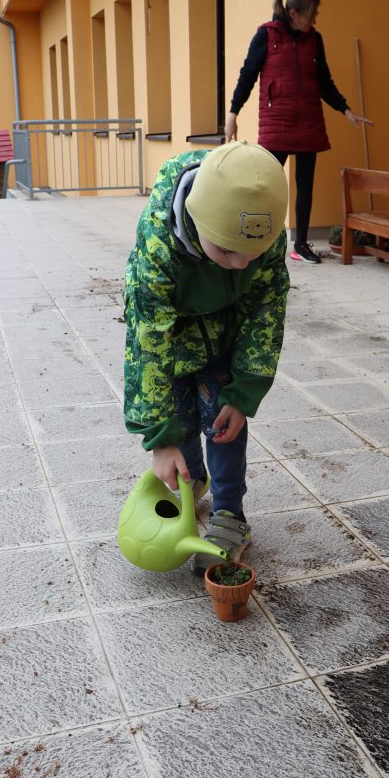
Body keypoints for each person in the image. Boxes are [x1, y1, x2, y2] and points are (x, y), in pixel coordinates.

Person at [123, 141, 290, 575]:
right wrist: (160, 439)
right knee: (178, 413)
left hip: (225, 334)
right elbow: (148, 339)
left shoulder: (265, 232)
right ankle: (190, 482)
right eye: (226, 251)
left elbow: (267, 309)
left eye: (253, 253)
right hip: (172, 337)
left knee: (222, 418)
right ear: (197, 222)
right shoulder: (159, 243)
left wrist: (244, 390)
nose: (241, 264)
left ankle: (229, 513)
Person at [225, 0, 372, 265]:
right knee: (265, 186)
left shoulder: (314, 39)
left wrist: (346, 110)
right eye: (311, 14)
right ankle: (255, 241)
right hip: (276, 122)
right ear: (294, 14)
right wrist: (233, 113)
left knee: (305, 186)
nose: (315, 20)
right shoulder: (266, 35)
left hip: (307, 122)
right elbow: (248, 74)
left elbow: (324, 81)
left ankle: (301, 244)